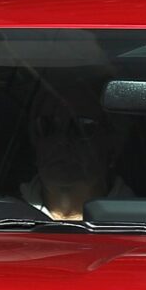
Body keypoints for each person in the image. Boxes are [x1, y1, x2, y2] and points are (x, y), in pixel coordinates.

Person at [20, 82, 127, 223]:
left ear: (112, 144)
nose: (62, 140)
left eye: (81, 127)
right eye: (47, 126)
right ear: (34, 141)